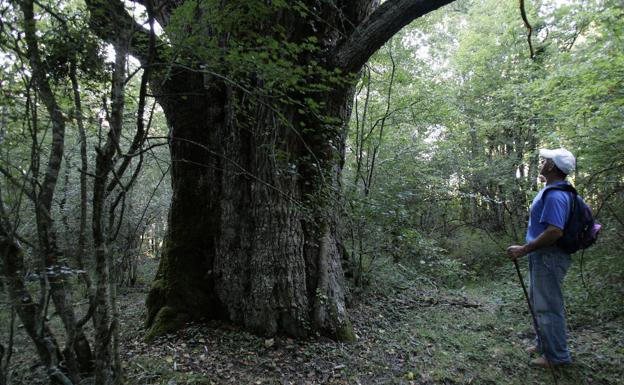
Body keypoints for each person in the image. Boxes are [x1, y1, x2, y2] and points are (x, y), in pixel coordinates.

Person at [507, 148, 576, 368]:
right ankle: (543, 344)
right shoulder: (555, 189)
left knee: (548, 306)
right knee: (540, 302)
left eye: (546, 160)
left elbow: (555, 231)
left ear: (552, 166)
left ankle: (556, 357)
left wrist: (524, 249)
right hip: (544, 256)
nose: (542, 161)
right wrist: (545, 182)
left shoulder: (556, 195)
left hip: (549, 257)